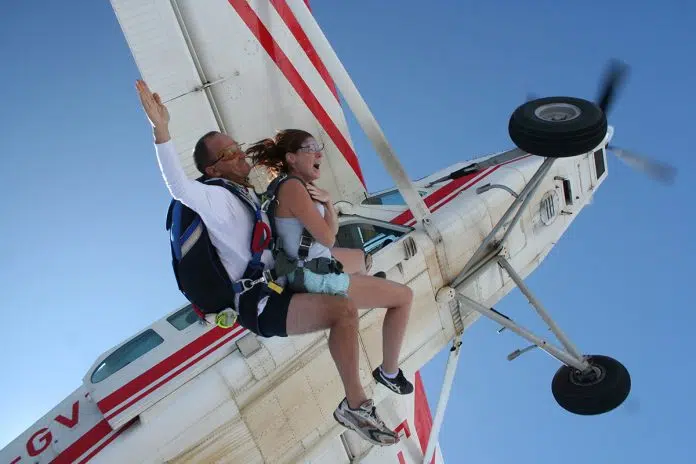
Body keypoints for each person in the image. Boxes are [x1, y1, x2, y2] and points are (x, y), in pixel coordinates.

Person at [135, 80, 401, 446]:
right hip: (259, 302)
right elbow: (179, 187)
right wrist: (162, 131)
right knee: (344, 313)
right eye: (229, 154)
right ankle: (355, 405)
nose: (241, 156)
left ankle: (366, 282)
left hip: (282, 277)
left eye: (237, 148)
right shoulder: (216, 200)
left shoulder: (248, 195)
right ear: (212, 170)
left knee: (360, 260)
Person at [246, 129, 415, 397]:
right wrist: (327, 210)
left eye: (318, 147)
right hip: (313, 276)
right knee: (404, 297)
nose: (318, 153)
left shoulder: (293, 188)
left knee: (362, 260)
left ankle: (365, 282)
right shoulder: (292, 188)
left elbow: (329, 237)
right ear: (291, 158)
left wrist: (327, 202)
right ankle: (389, 372)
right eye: (310, 148)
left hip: (306, 266)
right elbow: (326, 238)